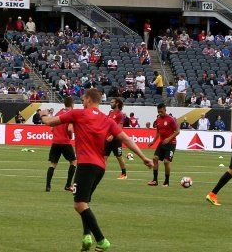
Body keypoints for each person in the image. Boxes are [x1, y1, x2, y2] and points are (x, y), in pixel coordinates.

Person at [41, 87, 152, 252]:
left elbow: (50, 122)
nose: (82, 102)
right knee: (84, 202)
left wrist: (43, 114)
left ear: (88, 99)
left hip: (86, 165)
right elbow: (126, 139)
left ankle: (101, 240)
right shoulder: (107, 120)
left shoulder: (78, 114)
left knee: (79, 205)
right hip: (100, 167)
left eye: (83, 100)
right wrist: (143, 158)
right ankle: (86, 236)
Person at [46, 96, 77, 192]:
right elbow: (70, 129)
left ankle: (48, 186)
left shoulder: (58, 113)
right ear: (72, 104)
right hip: (65, 142)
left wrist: (57, 133)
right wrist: (70, 136)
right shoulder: (71, 114)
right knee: (73, 162)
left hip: (55, 142)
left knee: (53, 164)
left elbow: (52, 128)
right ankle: (68, 185)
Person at [147, 103, 179, 187]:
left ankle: (166, 181)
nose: (160, 113)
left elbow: (177, 131)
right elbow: (158, 132)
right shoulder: (158, 120)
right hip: (162, 143)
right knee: (155, 158)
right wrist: (153, 141)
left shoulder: (171, 119)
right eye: (158, 112)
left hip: (171, 143)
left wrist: (169, 139)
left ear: (165, 110)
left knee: (166, 161)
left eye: (161, 111)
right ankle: (155, 180)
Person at [105, 98, 128, 179]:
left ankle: (124, 174)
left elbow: (119, 127)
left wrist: (112, 135)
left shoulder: (120, 114)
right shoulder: (110, 112)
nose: (110, 103)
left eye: (112, 102)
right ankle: (99, 172)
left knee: (119, 157)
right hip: (108, 138)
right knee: (104, 157)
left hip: (116, 139)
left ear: (117, 103)